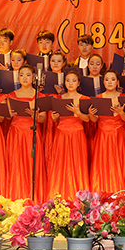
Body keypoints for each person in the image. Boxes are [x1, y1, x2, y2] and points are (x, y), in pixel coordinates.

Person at [47, 71, 90, 199]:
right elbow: (54, 119)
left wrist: (78, 112)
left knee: (77, 164)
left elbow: (87, 119)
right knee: (60, 164)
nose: (70, 83)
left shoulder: (84, 99)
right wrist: (54, 117)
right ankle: (58, 195)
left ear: (78, 83)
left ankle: (79, 196)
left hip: (77, 133)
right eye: (68, 80)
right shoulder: (59, 98)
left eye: (73, 80)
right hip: (61, 133)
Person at [6, 64, 47, 201]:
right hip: (15, 133)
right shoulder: (12, 95)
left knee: (31, 164)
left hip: (31, 132)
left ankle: (32, 198)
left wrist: (35, 115)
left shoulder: (39, 95)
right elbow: (7, 117)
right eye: (21, 75)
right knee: (16, 164)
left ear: (34, 78)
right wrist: (9, 114)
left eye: (28, 75)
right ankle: (16, 197)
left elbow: (43, 119)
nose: (24, 78)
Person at [88, 70, 125, 192]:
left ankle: (119, 190)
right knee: (102, 162)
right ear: (103, 82)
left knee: (118, 162)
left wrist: (121, 112)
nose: (110, 82)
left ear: (117, 82)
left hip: (118, 134)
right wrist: (91, 114)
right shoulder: (98, 98)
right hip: (102, 134)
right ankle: (102, 190)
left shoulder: (123, 97)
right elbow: (95, 120)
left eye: (112, 79)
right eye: (107, 79)